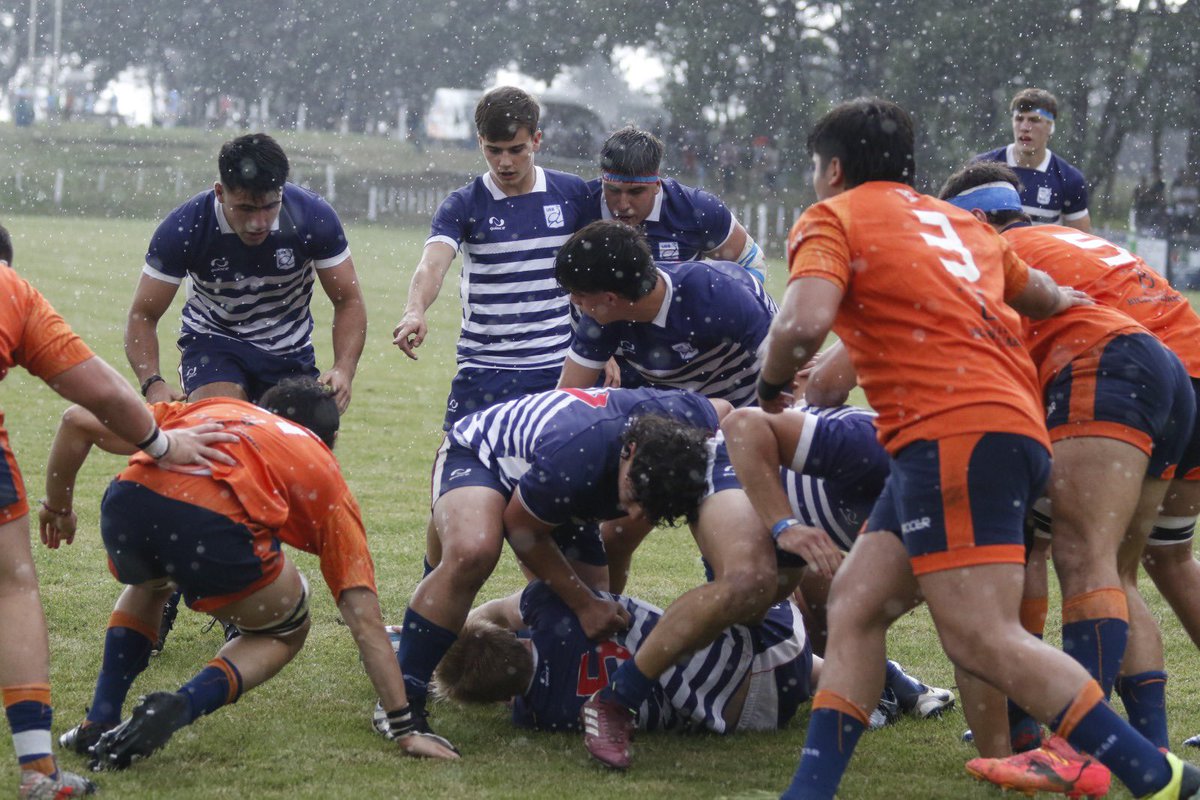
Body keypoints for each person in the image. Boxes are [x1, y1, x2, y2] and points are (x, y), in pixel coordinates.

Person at [762, 98, 1197, 800]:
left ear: (832, 168)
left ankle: (1158, 775)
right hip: (1003, 421)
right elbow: (1048, 295)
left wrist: (771, 381)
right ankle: (807, 793)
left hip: (955, 429)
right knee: (855, 604)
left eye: (818, 166)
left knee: (981, 638)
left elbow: (804, 323)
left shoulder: (834, 216)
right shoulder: (964, 227)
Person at [43, 378, 459, 769]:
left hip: (129, 504)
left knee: (152, 582)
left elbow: (76, 420)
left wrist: (58, 508)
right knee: (284, 628)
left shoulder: (216, 407)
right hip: (211, 530)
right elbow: (365, 621)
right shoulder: (324, 471)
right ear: (331, 441)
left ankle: (98, 721)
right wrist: (405, 727)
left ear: (261, 409)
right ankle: (180, 706)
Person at [937, 163, 1195, 792]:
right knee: (1139, 563)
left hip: (1121, 372)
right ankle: (1147, 748)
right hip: (1188, 380)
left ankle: (1054, 738)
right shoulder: (1068, 240)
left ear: (975, 221)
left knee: (1054, 545)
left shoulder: (994, 251)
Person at [0, 221, 236, 800]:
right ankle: (38, 771)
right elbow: (98, 394)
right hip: (197, 533)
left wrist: (59, 500)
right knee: (11, 586)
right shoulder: (9, 290)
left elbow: (84, 418)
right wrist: (161, 443)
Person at [387, 386, 725, 743]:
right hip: (484, 456)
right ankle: (402, 696)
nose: (637, 514)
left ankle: (468, 642)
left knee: (579, 615)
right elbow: (522, 530)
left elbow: (726, 410)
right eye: (638, 496)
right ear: (630, 451)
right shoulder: (577, 454)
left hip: (562, 488)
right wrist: (585, 603)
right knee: (474, 550)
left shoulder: (692, 421)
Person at [126, 132, 366, 414]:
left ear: (282, 191)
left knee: (298, 447)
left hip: (289, 350)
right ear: (220, 192)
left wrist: (343, 369)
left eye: (269, 206)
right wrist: (152, 383)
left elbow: (348, 300)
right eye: (246, 208)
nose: (258, 222)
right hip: (214, 342)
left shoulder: (314, 217)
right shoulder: (187, 226)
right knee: (224, 423)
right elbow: (143, 314)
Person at [434, 581, 813, 734]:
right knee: (759, 572)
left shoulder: (539, 716)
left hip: (753, 716)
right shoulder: (550, 609)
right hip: (762, 652)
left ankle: (841, 681)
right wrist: (455, 631)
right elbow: (501, 610)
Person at [554, 220, 776, 407]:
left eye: (578, 294)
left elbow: (790, 366)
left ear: (610, 298)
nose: (574, 301)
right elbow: (565, 399)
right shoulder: (604, 314)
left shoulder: (717, 294)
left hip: (756, 404)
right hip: (695, 412)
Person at [587, 126, 767, 281]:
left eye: (636, 192)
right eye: (613, 190)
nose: (623, 204)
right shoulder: (581, 202)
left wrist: (719, 310)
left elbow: (752, 264)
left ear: (656, 185)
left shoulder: (696, 209)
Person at [975, 88, 1090, 231]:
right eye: (1019, 119)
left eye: (1034, 120)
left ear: (1050, 127)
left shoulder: (1070, 180)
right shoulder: (981, 169)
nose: (1024, 127)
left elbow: (1083, 242)